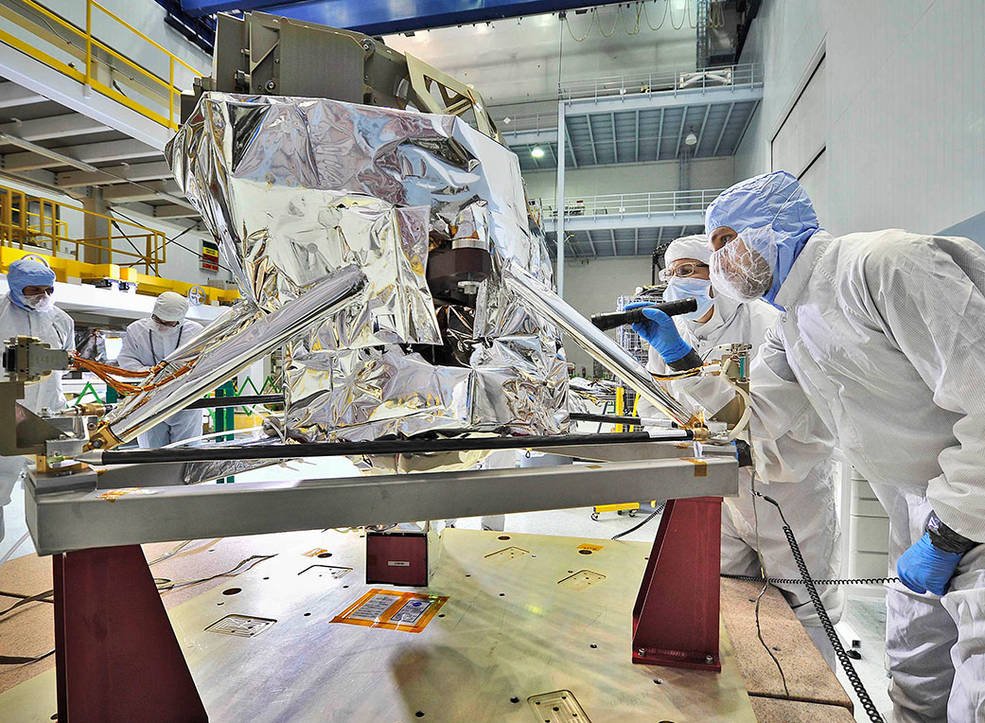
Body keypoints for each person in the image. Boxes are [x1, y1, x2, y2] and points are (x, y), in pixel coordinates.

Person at [637, 170, 985, 722]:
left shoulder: (883, 265)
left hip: (972, 500)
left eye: (725, 242)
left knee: (978, 689)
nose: (720, 260)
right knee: (917, 676)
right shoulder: (791, 323)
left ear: (772, 229)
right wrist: (678, 356)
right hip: (915, 509)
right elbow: (752, 415)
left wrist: (951, 528)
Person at [633, 234, 843, 668]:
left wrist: (741, 444)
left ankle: (812, 696)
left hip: (787, 485)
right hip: (718, 487)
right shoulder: (672, 333)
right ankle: (749, 686)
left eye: (688, 270)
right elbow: (654, 403)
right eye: (671, 274)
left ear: (719, 271)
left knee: (806, 601)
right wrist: (676, 449)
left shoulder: (766, 321)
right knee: (724, 588)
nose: (678, 281)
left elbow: (773, 412)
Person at [0, 256, 74, 542]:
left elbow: (68, 359)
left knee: (58, 482)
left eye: (48, 290)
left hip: (48, 410)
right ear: (16, 286)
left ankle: (61, 544)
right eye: (34, 290)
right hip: (6, 410)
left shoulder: (61, 319)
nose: (42, 296)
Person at [117, 291, 203, 448]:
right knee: (151, 451)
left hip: (183, 400)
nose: (162, 326)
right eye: (158, 320)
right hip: (148, 401)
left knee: (186, 451)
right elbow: (126, 360)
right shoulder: (136, 330)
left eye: (168, 323)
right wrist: (150, 373)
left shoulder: (195, 332)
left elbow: (202, 363)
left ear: (180, 320)